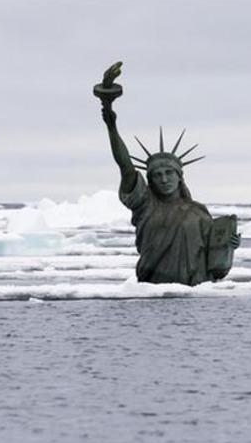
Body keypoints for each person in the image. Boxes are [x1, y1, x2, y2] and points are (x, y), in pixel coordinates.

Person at [97, 62, 239, 285]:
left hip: (194, 296)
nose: (164, 179)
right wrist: (111, 123)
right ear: (150, 180)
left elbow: (217, 268)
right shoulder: (146, 205)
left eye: (169, 173)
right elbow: (125, 165)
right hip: (151, 291)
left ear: (180, 176)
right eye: (157, 175)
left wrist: (229, 247)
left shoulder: (199, 213)